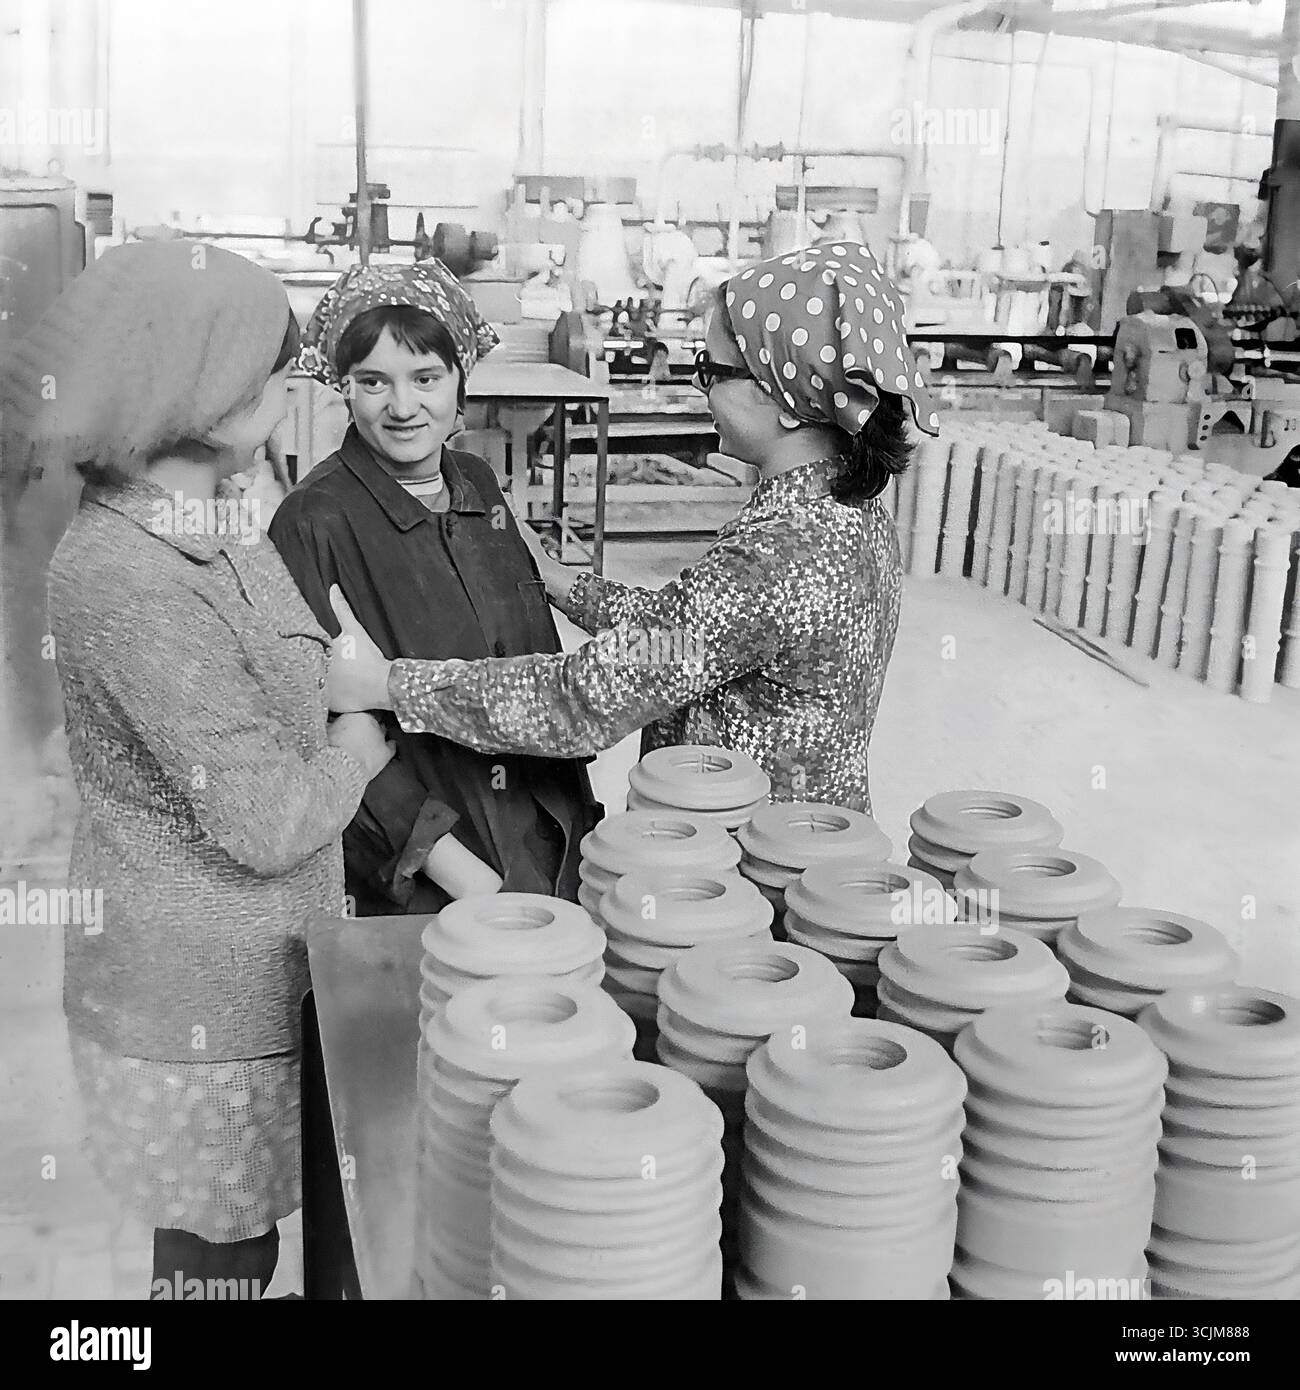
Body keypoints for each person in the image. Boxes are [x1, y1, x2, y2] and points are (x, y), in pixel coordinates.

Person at [1, 241, 393, 1297]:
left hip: (261, 970)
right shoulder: (125, 573)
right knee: (215, 1262)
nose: (290, 384)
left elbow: (267, 673)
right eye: (276, 368)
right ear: (205, 386)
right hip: (191, 1002)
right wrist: (362, 733)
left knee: (250, 1239)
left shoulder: (213, 516)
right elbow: (263, 817)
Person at [326, 241, 940, 815]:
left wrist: (389, 683)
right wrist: (566, 585)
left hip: (740, 864)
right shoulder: (844, 509)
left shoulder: (776, 557)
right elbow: (693, 636)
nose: (700, 387)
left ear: (783, 397)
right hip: (813, 842)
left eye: (713, 370)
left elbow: (581, 699)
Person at [269, 261, 602, 915]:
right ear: (343, 384)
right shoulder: (313, 521)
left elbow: (530, 661)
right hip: (435, 882)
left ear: (460, 380)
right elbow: (328, 736)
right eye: (373, 382)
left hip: (550, 842)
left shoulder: (477, 482)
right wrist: (468, 881)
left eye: (425, 378)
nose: (401, 406)